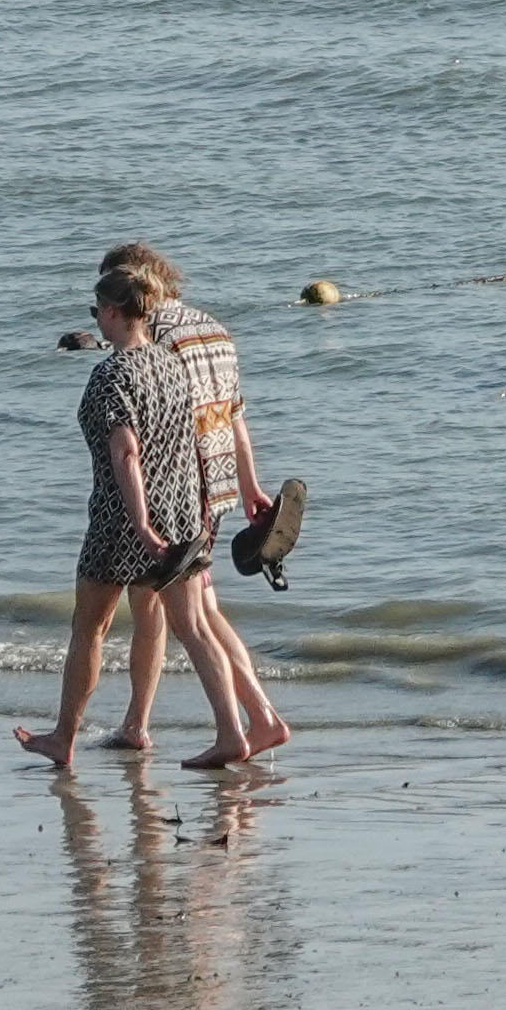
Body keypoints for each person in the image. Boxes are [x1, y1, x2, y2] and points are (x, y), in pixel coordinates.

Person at [13, 259, 258, 771]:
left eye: (96, 311)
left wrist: (141, 526)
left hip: (122, 521)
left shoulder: (111, 375)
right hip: (184, 514)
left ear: (113, 312)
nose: (96, 321)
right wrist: (180, 520)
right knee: (193, 627)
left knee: (90, 628)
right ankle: (233, 732)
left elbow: (126, 455)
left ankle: (63, 737)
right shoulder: (171, 365)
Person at [103, 242, 293, 760]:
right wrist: (251, 487)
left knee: (192, 616)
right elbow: (236, 418)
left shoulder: (154, 335)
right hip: (222, 486)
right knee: (172, 609)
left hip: (180, 488)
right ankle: (138, 722)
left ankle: (258, 718)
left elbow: (150, 414)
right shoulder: (214, 328)